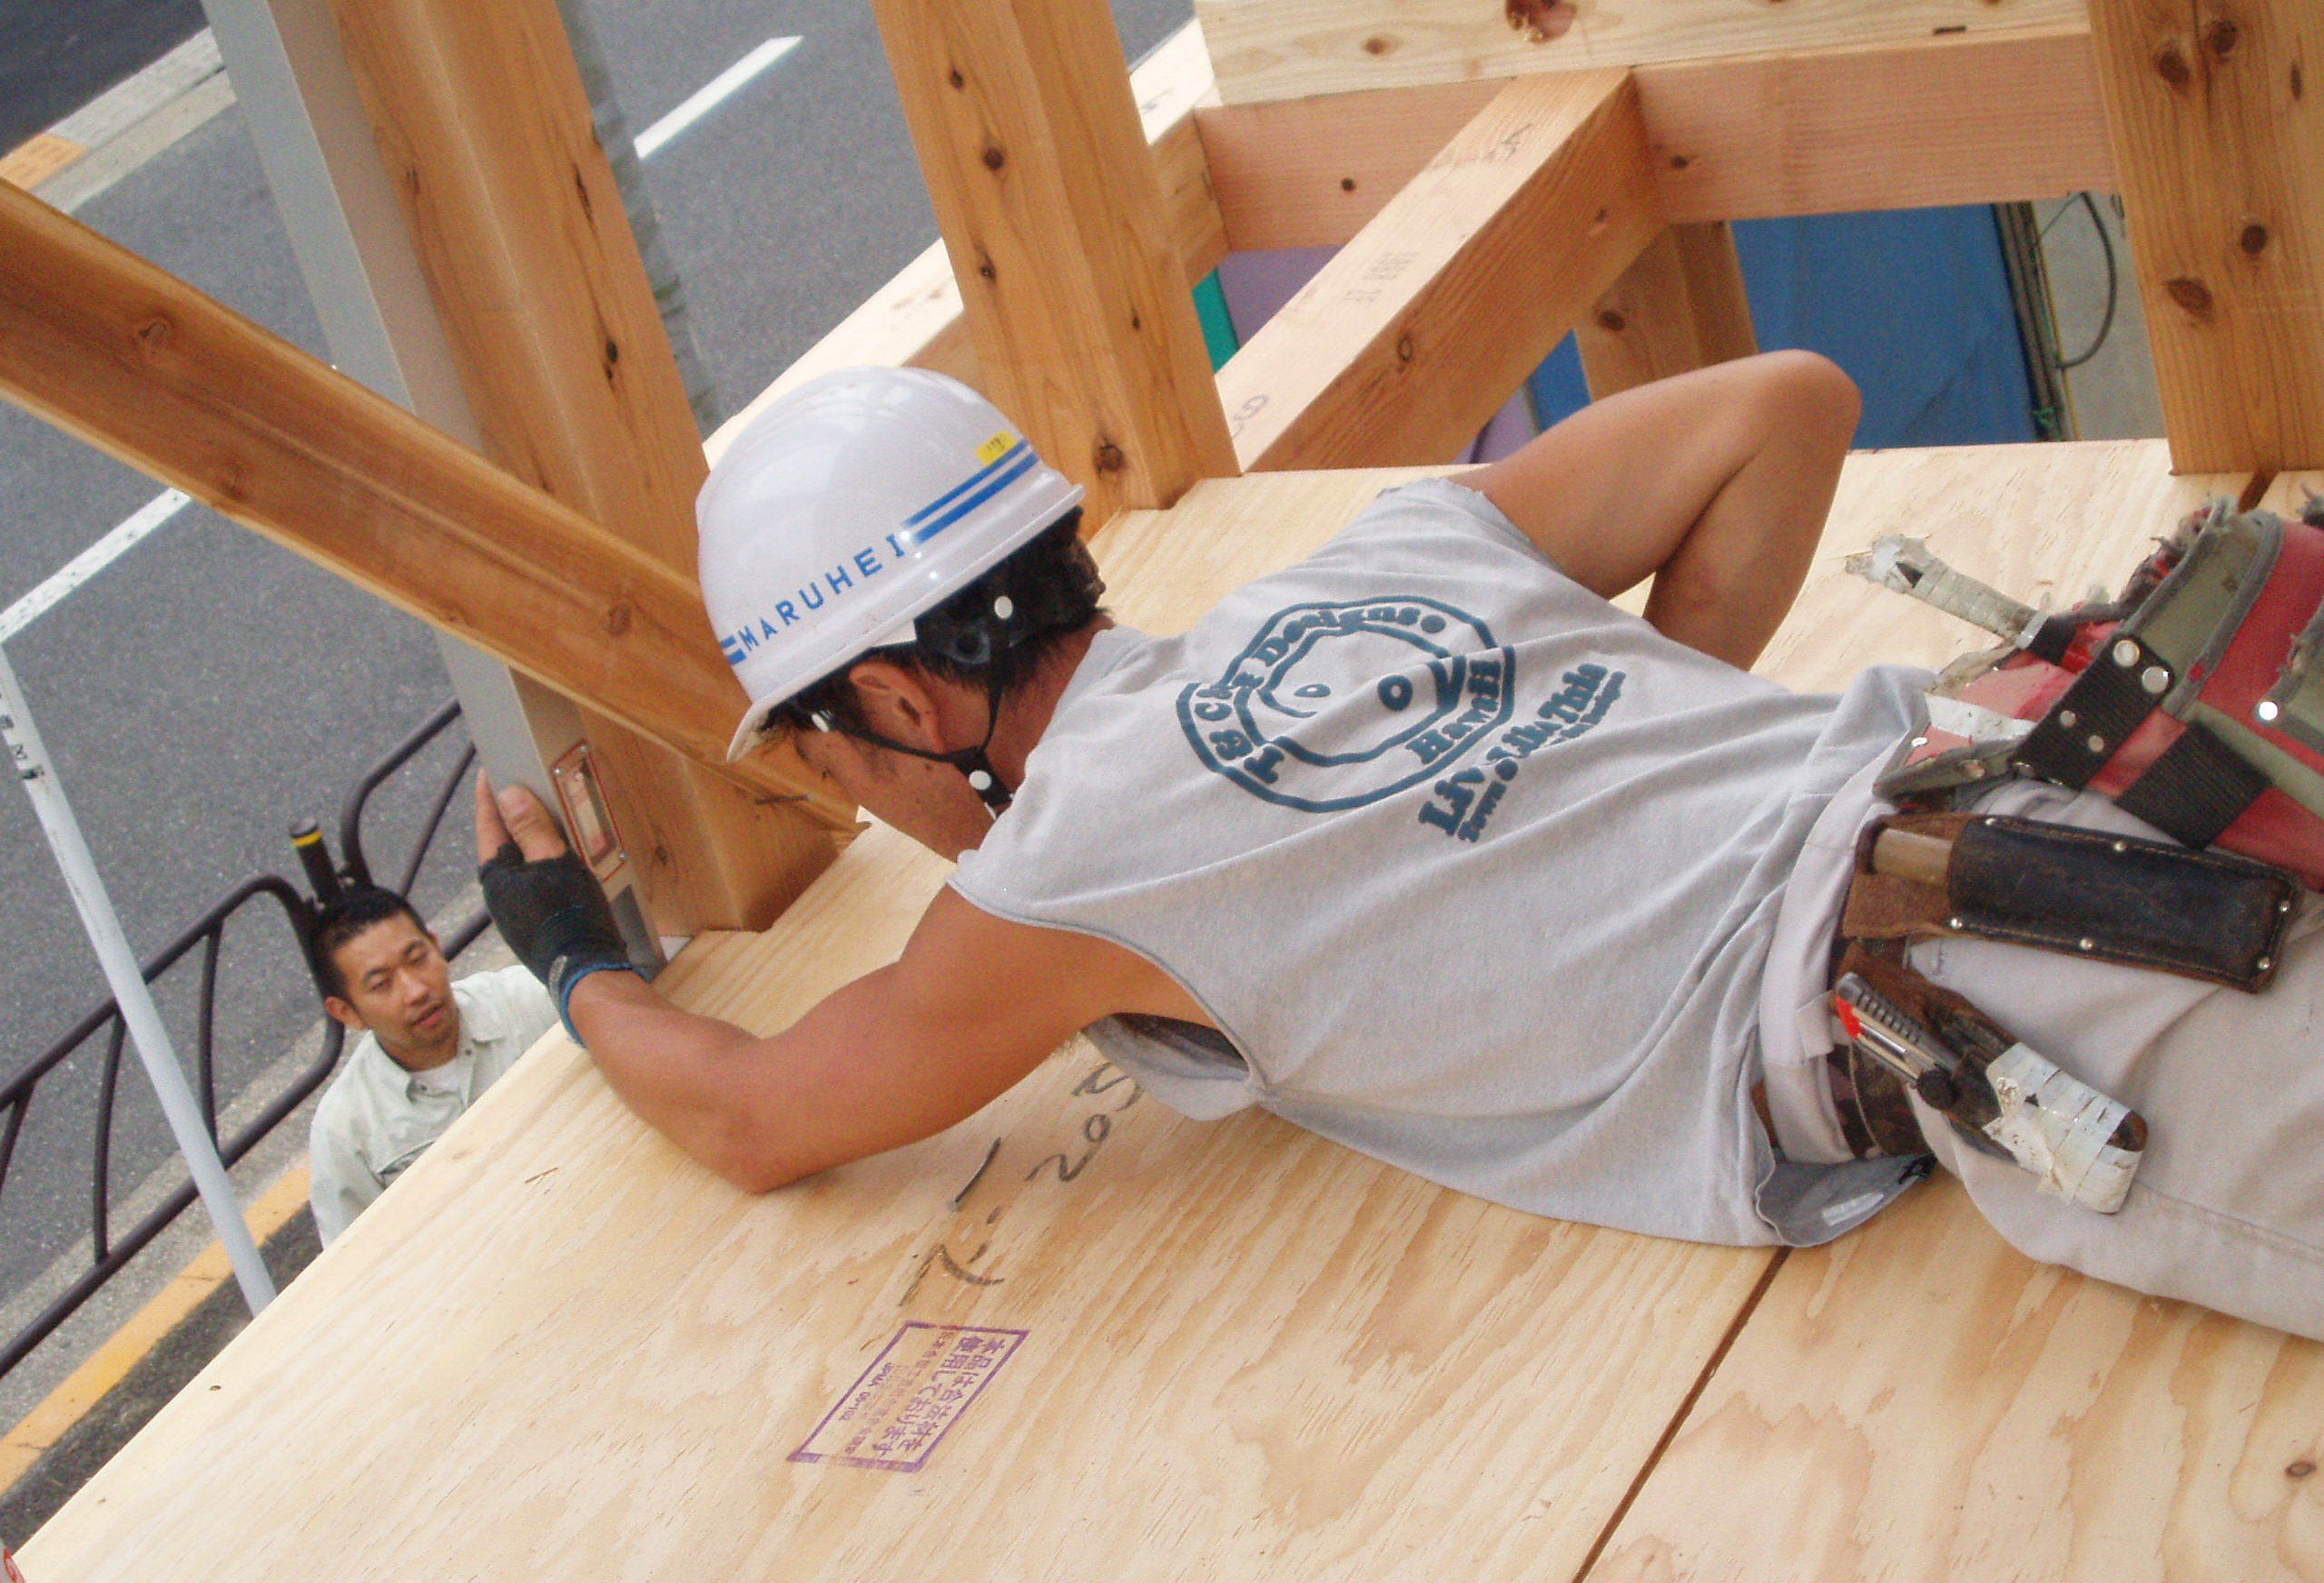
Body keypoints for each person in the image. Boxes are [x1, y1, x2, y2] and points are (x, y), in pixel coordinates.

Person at [474, 359, 2324, 1342]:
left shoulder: (1055, 887)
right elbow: (1783, 403)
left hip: (2047, 1000)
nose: (839, 793)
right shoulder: (1384, 563)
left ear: (894, 694)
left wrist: (570, 957)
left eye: (814, 746)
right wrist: (1587, 773)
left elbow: (749, 1117)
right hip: (2089, 789)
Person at [306, 886, 556, 1244]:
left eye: (417, 959)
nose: (415, 991)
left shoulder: (534, 1000)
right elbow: (354, 1271)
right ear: (346, 1012)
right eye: (381, 984)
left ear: (437, 946)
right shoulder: (345, 1132)